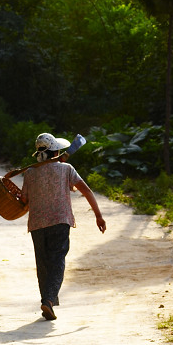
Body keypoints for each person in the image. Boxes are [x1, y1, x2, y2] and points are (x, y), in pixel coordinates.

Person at [20, 132, 106, 320]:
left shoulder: (30, 173)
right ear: (56, 151)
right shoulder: (66, 169)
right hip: (60, 221)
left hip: (37, 223)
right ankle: (49, 300)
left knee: (43, 264)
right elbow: (86, 190)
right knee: (57, 261)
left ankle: (46, 299)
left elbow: (24, 200)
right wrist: (98, 216)